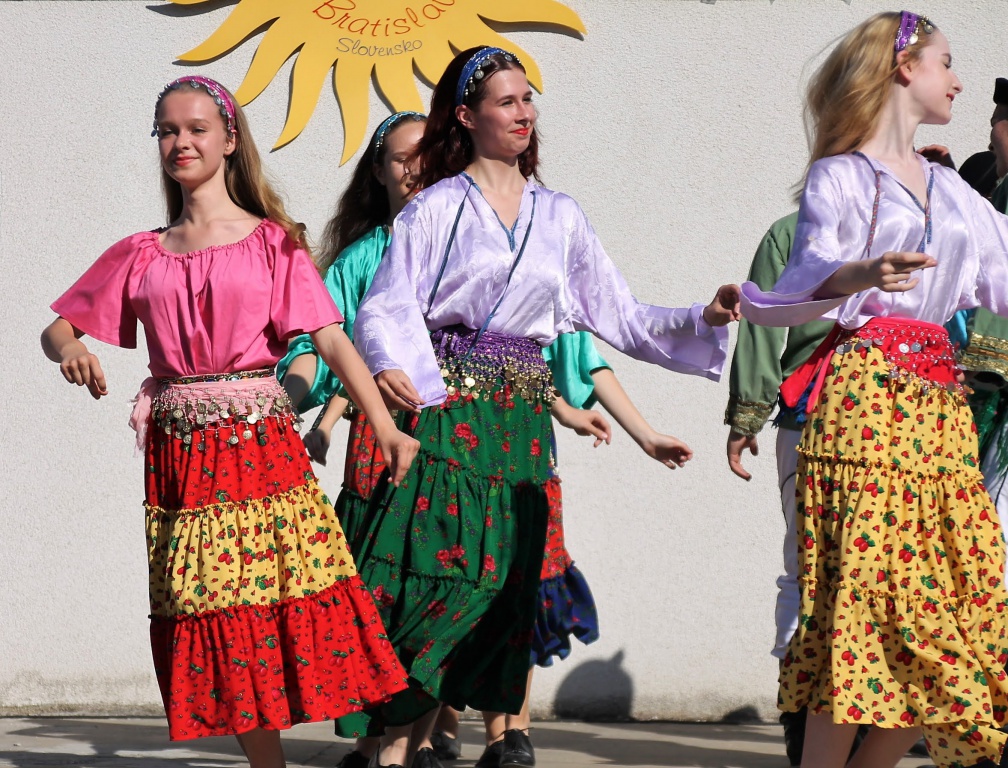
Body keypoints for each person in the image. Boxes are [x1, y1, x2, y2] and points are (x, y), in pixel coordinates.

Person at [339, 46, 740, 768]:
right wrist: (395, 364)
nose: (524, 113)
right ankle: (393, 751)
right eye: (506, 101)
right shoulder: (435, 207)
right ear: (467, 116)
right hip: (449, 413)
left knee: (501, 585)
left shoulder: (560, 215)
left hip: (520, 426)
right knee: (443, 582)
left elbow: (620, 316)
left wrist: (704, 316)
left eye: (528, 99)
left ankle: (452, 740)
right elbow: (386, 305)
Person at [40, 75, 420, 768]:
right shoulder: (141, 252)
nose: (180, 142)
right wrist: (71, 350)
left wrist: (386, 427)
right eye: (167, 131)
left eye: (195, 129)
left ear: (229, 139)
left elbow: (332, 340)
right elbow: (58, 328)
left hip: (259, 449)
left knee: (271, 606)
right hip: (183, 460)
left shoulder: (273, 242)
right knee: (212, 610)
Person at [742, 12, 1008, 768]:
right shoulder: (842, 176)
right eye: (946, 62)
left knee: (957, 620)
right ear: (903, 68)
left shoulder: (954, 192)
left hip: (941, 416)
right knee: (863, 614)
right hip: (864, 405)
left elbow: (1003, 273)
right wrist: (862, 273)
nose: (958, 80)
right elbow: (803, 276)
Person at [724, 213, 833, 766]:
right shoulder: (795, 231)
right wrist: (749, 412)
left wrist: (747, 415)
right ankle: (805, 713)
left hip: (884, 415)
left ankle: (819, 715)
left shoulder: (794, 230)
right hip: (826, 409)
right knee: (815, 563)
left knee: (817, 564)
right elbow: (763, 319)